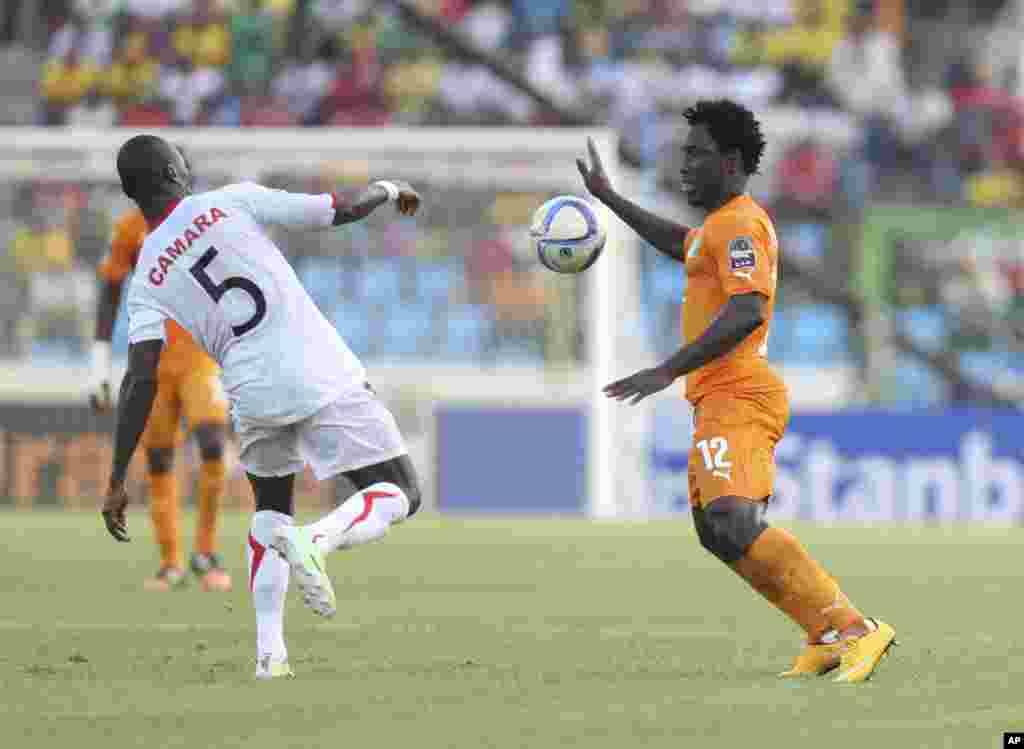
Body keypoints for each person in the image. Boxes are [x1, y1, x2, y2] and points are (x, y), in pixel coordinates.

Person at [577, 99, 896, 683]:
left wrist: (667, 369)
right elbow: (682, 244)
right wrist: (610, 197)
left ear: (729, 162)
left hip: (740, 393)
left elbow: (748, 309)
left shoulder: (743, 224)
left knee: (731, 520)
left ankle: (856, 628)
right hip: (718, 395)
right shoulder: (720, 227)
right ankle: (824, 633)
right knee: (716, 532)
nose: (684, 165)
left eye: (695, 155)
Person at [99, 135, 423, 680]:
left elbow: (140, 379)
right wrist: (389, 188)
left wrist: (114, 477)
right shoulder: (229, 201)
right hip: (317, 369)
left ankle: (270, 655)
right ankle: (320, 539)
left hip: (250, 391)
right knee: (402, 492)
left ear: (133, 194)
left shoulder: (147, 275)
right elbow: (340, 211)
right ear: (176, 171)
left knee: (271, 512)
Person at [90, 146, 232, 593]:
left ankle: (205, 553)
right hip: (152, 357)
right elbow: (110, 291)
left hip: (199, 357)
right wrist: (98, 363)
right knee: (159, 458)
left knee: (212, 444)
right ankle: (170, 562)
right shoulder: (131, 230)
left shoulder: (205, 224)